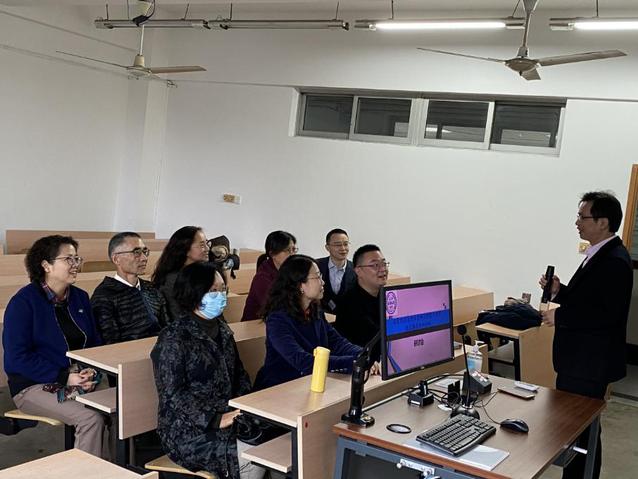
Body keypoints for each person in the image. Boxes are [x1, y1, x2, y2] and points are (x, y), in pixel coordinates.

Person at [539, 191, 632, 479]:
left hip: (588, 364)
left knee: (580, 430)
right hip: (580, 362)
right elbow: (589, 302)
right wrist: (560, 291)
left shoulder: (614, 260)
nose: (577, 222)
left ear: (603, 222)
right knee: (579, 430)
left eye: (583, 216)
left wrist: (560, 316)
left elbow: (606, 315)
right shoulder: (599, 254)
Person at [151, 261, 263, 479]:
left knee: (273, 442)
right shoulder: (174, 338)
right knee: (250, 457)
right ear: (193, 292)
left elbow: (239, 375)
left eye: (223, 289)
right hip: (187, 430)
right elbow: (173, 395)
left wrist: (243, 408)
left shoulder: (222, 330)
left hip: (228, 417)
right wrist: (215, 419)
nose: (220, 295)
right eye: (213, 290)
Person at [2, 235, 106, 456]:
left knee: (120, 408)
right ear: (46, 265)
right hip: (33, 385)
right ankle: (86, 471)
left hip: (77, 378)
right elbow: (16, 358)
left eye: (77, 259)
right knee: (90, 419)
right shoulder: (23, 303)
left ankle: (110, 467)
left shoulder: (80, 298)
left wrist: (90, 371)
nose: (76, 264)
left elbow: (95, 343)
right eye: (69, 259)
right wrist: (64, 377)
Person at [254, 254, 378, 390]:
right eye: (318, 277)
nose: (323, 282)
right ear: (300, 285)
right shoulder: (278, 319)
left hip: (312, 381)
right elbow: (301, 360)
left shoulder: (314, 310)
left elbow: (336, 342)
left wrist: (363, 355)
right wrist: (353, 363)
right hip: (281, 387)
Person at [91, 232, 169, 344]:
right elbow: (110, 343)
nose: (144, 258)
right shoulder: (104, 296)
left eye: (145, 252)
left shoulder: (151, 288)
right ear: (116, 259)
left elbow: (168, 328)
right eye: (136, 252)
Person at [334, 244, 389, 361]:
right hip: (362, 362)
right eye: (375, 265)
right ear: (358, 271)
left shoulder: (387, 296)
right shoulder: (349, 303)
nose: (383, 269)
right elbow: (376, 340)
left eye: (384, 264)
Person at [152, 226, 209, 321]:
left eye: (207, 243)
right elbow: (179, 317)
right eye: (202, 245)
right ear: (185, 249)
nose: (207, 249)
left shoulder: (197, 273)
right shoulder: (173, 280)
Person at [241, 230, 297, 321]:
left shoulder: (291, 272)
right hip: (256, 324)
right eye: (287, 250)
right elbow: (275, 308)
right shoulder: (262, 278)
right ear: (272, 254)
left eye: (294, 250)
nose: (292, 254)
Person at [315, 228, 356, 314]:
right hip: (320, 316)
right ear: (327, 247)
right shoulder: (316, 266)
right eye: (338, 245)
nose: (343, 248)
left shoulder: (357, 269)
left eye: (346, 244)